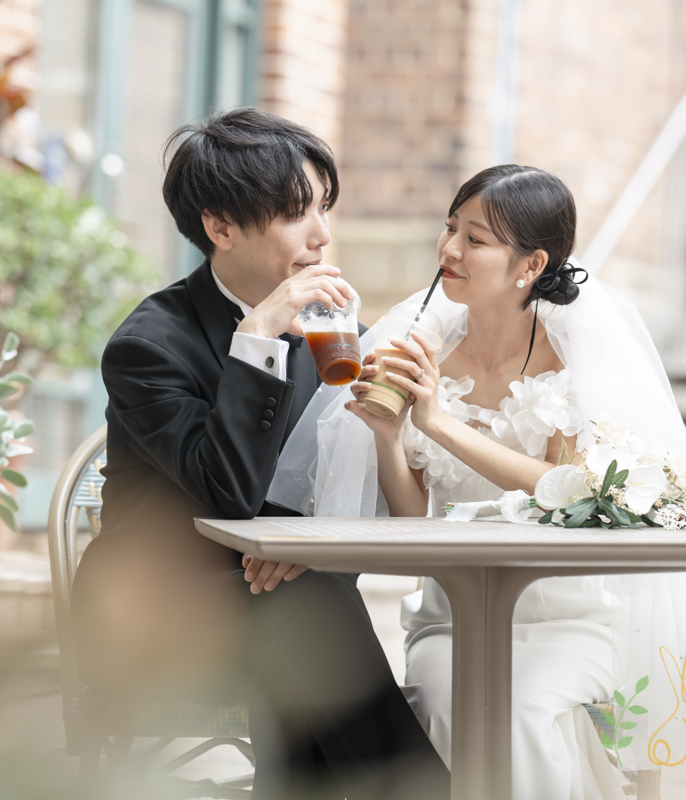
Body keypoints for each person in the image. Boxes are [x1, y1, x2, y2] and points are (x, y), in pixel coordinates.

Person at [269, 165, 686, 800]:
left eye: (475, 239)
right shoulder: (422, 347)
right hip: (453, 615)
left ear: (531, 265)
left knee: (519, 707)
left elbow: (571, 490)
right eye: (449, 229)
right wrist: (388, 435)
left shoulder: (576, 361)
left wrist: (437, 423)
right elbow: (414, 521)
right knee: (449, 702)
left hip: (567, 619)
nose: (449, 249)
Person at [70, 107, 450, 800]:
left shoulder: (333, 335)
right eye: (297, 213)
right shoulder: (147, 347)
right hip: (156, 603)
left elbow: (352, 495)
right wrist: (259, 337)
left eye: (324, 209)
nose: (321, 235)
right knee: (305, 611)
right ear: (221, 227)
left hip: (284, 596)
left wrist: (309, 546)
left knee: (306, 605)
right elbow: (227, 495)